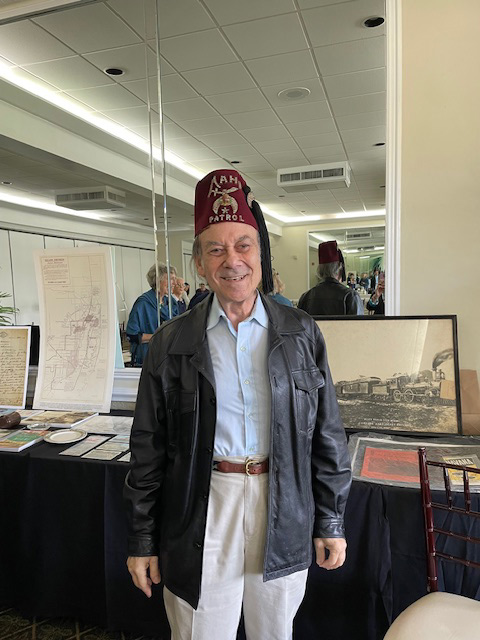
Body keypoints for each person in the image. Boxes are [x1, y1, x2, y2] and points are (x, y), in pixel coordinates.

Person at [124, 169, 352, 640]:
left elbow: (327, 432)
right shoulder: (171, 342)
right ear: (199, 263)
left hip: (284, 504)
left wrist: (330, 518)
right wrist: (143, 538)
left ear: (261, 255)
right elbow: (148, 447)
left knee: (274, 632)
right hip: (202, 508)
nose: (233, 261)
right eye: (216, 249)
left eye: (244, 245)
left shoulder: (301, 332)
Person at [125, 263, 176, 366]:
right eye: (170, 279)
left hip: (168, 358)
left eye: (174, 279)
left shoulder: (171, 302)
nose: (174, 283)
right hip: (148, 359)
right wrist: (158, 336)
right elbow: (132, 335)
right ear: (157, 281)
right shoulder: (143, 303)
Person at [298, 241, 363, 316]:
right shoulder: (350, 296)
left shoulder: (305, 297)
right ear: (339, 269)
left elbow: (300, 322)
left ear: (319, 270)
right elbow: (358, 323)